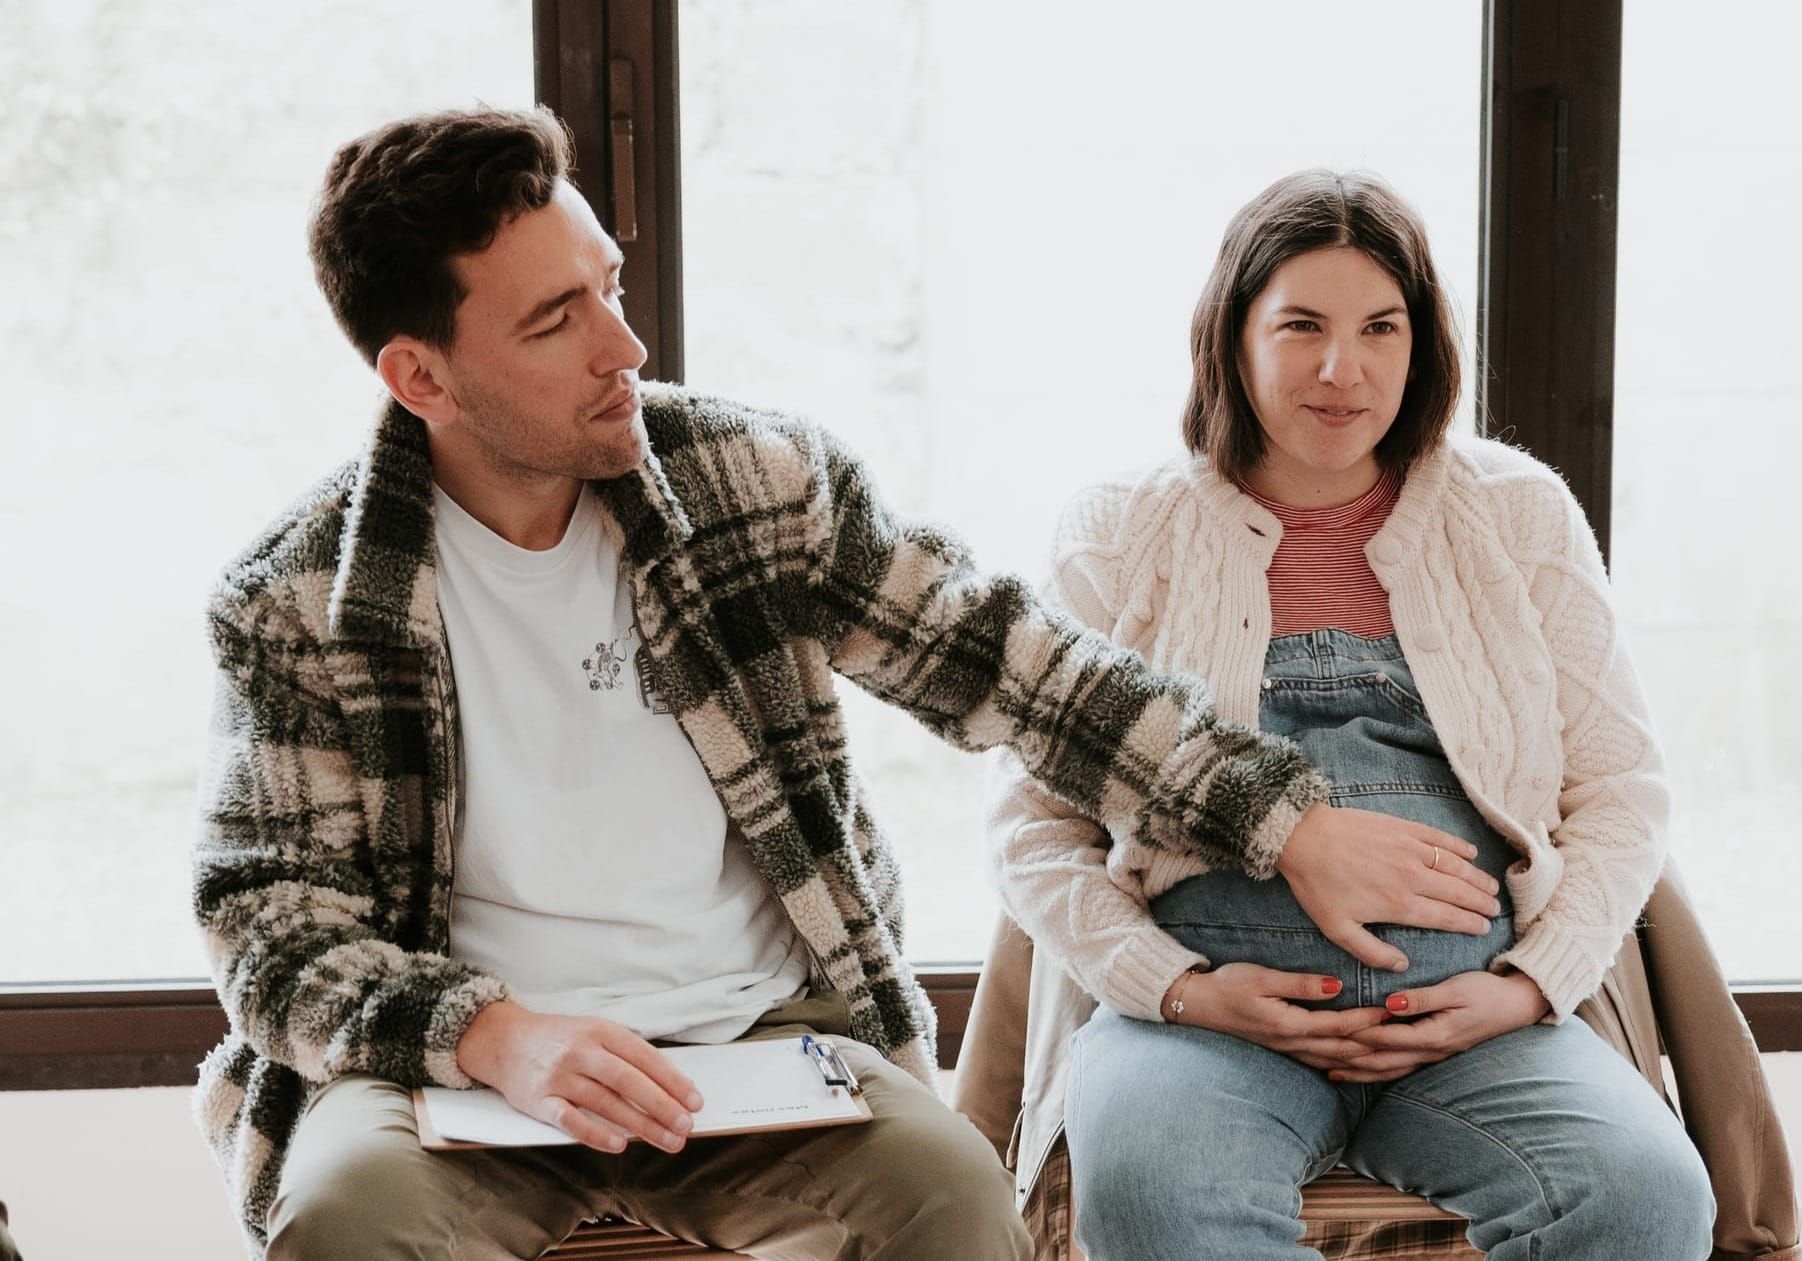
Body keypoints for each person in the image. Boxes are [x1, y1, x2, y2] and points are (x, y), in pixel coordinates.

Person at [189, 110, 1452, 1260]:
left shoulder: (754, 481)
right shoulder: (295, 599)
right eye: (552, 321)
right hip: (462, 1068)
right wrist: (489, 1033)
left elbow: (1017, 665)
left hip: (758, 1042)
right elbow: (267, 922)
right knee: (341, 1220)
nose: (623, 346)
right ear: (421, 378)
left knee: (958, 1204)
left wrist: (1284, 819)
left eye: (607, 290)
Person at [986, 170, 1717, 1259]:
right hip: (1212, 1028)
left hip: (1473, 1028)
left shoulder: (1515, 513)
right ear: (1230, 338)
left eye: (1381, 325)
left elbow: (1619, 793)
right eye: (1300, 327)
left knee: (1647, 1200)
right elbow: (1031, 829)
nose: (1344, 369)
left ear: (1421, 343)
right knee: (1151, 1188)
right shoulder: (1121, 529)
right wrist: (1182, 991)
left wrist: (1525, 990)